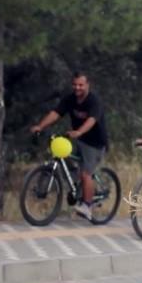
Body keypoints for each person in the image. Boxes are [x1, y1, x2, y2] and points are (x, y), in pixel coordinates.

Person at [31, 72, 108, 220]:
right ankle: (77, 191)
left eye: (80, 85)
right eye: (75, 85)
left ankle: (87, 206)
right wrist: (40, 126)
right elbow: (55, 113)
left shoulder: (94, 101)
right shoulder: (70, 99)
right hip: (78, 139)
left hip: (95, 143)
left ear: (87, 85)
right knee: (70, 165)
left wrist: (79, 131)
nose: (77, 88)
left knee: (86, 173)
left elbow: (92, 120)